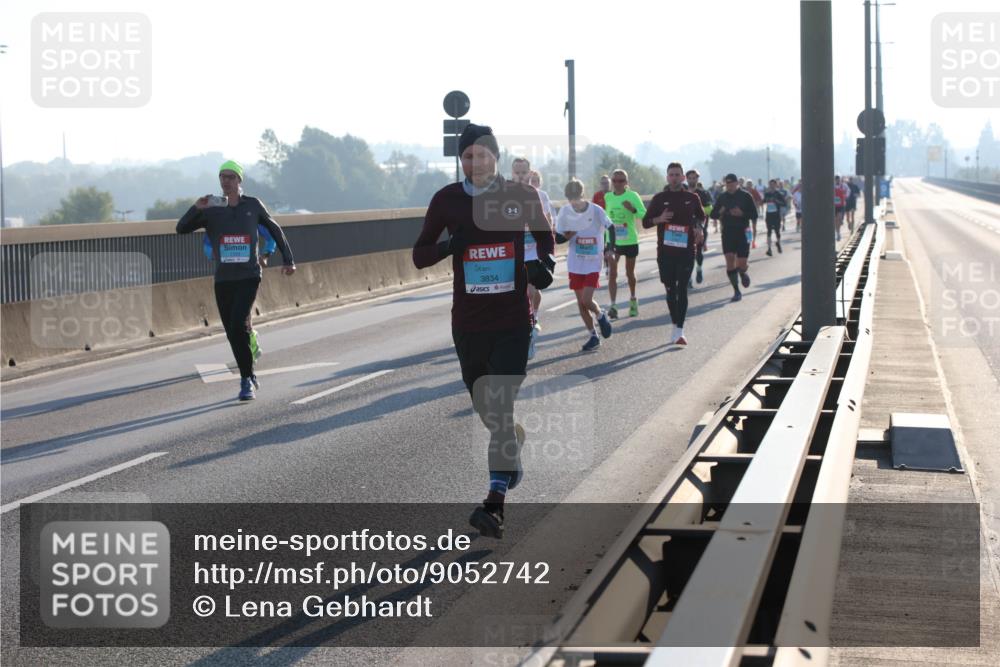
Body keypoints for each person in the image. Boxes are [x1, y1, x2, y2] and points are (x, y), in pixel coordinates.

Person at [412, 123, 553, 539]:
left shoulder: (519, 195)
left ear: (496, 155)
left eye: (483, 154)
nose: (476, 162)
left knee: (501, 404)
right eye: (468, 155)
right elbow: (419, 256)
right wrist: (448, 248)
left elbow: (546, 237)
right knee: (488, 410)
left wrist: (543, 268)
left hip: (512, 320)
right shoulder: (447, 200)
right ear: (461, 160)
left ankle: (494, 503)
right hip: (469, 323)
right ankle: (511, 446)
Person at [176, 160, 296, 401]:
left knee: (238, 324)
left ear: (240, 180)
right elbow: (181, 228)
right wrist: (196, 207)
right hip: (224, 279)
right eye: (222, 176)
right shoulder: (211, 208)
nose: (226, 181)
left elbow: (274, 230)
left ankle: (246, 380)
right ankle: (249, 374)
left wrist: (288, 259)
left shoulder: (252, 205)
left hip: (249, 275)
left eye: (231, 176)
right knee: (232, 331)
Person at [644, 163, 705, 345]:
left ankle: (680, 330)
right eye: (671, 174)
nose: (675, 177)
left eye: (678, 174)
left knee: (682, 289)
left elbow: (701, 216)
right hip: (665, 252)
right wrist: (659, 219)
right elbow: (646, 222)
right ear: (667, 177)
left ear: (683, 177)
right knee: (670, 290)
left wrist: (699, 227)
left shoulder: (692, 198)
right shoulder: (659, 198)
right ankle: (674, 324)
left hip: (686, 251)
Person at [555, 178, 615, 351]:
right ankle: (593, 336)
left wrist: (611, 247)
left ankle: (600, 315)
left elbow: (610, 227)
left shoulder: (596, 210)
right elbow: (558, 238)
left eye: (577, 197)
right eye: (570, 199)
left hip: (593, 261)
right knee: (581, 304)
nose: (574, 202)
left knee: (587, 299)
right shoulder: (565, 212)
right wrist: (569, 234)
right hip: (575, 262)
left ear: (583, 195)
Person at [203, 224, 277, 361]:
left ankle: (248, 350)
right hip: (226, 277)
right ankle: (250, 337)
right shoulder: (218, 218)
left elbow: (271, 237)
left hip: (249, 276)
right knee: (233, 318)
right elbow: (207, 245)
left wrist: (265, 255)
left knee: (243, 314)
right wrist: (213, 253)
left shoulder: (249, 213)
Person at [511, 159, 555, 360]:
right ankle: (527, 325)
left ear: (529, 173)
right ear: (512, 173)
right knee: (520, 294)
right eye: (517, 172)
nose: (520, 176)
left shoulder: (539, 195)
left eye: (523, 172)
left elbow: (547, 222)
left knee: (529, 291)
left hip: (533, 252)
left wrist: (548, 251)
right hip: (515, 252)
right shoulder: (506, 194)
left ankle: (531, 323)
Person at [604, 169, 647, 318]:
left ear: (626, 183)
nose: (617, 184)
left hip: (629, 241)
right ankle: (613, 305)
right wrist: (605, 241)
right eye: (614, 180)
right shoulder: (608, 197)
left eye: (621, 181)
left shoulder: (632, 196)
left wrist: (633, 209)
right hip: (613, 241)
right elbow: (606, 220)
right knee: (612, 274)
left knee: (629, 273)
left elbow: (644, 215)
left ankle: (633, 299)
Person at [710, 173, 757, 302]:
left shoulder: (746, 196)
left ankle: (742, 272)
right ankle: (736, 291)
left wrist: (742, 213)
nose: (729, 186)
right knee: (730, 260)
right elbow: (713, 215)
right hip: (727, 233)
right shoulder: (722, 197)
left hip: (742, 232)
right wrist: (720, 211)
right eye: (727, 184)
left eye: (732, 183)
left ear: (737, 183)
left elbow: (754, 214)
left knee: (742, 263)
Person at [686, 169, 713, 285]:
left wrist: (697, 210)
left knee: (698, 253)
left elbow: (709, 209)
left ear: (697, 179)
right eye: (690, 178)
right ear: (686, 179)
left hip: (699, 227)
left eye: (694, 178)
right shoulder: (682, 192)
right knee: (687, 254)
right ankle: (688, 278)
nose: (692, 180)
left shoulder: (703, 193)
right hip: (686, 228)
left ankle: (699, 269)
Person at [762, 178, 787, 256]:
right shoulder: (767, 193)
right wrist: (766, 200)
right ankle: (769, 249)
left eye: (773, 184)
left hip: (776, 215)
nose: (772, 186)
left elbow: (784, 204)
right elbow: (763, 201)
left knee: (777, 231)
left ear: (776, 185)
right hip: (769, 214)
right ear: (769, 185)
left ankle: (778, 243)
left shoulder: (779, 194)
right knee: (769, 231)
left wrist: (776, 201)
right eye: (770, 184)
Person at [743, 178, 763, 249]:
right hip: (746, 212)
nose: (749, 185)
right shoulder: (744, 192)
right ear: (746, 185)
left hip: (753, 211)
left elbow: (760, 200)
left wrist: (756, 204)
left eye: (750, 184)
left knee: (754, 227)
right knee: (747, 227)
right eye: (748, 184)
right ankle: (749, 240)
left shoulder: (754, 191)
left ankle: (753, 242)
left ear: (752, 185)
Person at [833, 175, 849, 241]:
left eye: (838, 179)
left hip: (841, 204)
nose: (837, 181)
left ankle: (838, 232)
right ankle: (837, 232)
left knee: (839, 218)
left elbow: (848, 191)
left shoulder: (844, 185)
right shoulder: (832, 186)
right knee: (835, 220)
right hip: (834, 205)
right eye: (836, 180)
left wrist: (845, 196)